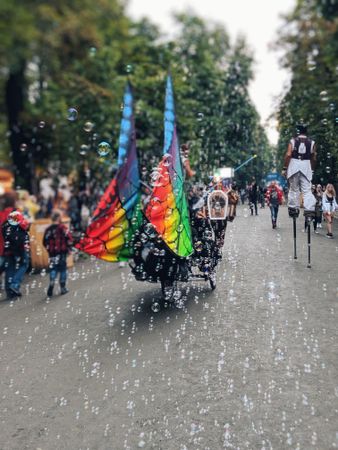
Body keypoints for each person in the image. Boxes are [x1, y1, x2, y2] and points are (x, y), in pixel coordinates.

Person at [282, 124, 316, 219]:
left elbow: (288, 154)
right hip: (306, 165)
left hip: (294, 165)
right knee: (307, 190)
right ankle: (309, 209)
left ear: (298, 131)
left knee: (294, 188)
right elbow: (313, 157)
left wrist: (285, 168)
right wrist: (311, 169)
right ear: (306, 131)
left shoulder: (293, 141)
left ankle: (293, 208)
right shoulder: (312, 142)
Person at [43, 211, 73, 297]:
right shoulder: (62, 227)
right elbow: (69, 238)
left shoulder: (48, 229)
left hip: (52, 253)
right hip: (62, 252)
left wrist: (49, 249)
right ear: (59, 218)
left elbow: (44, 242)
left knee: (53, 268)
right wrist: (69, 247)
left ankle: (52, 281)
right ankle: (63, 288)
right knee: (63, 269)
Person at [2, 210, 30, 298]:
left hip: (8, 249)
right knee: (24, 264)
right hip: (19, 249)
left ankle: (10, 293)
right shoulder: (19, 221)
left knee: (10, 269)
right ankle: (14, 284)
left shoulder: (5, 225)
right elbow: (24, 230)